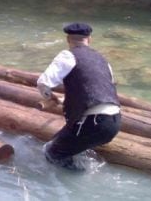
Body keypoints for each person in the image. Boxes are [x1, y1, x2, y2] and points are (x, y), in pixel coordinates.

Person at [37, 22, 121, 171]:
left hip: (92, 123)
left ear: (68, 39)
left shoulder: (67, 55)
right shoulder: (102, 60)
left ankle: (79, 178)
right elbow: (102, 89)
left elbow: (43, 83)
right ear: (89, 39)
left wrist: (50, 98)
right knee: (60, 140)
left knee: (51, 152)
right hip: (115, 122)